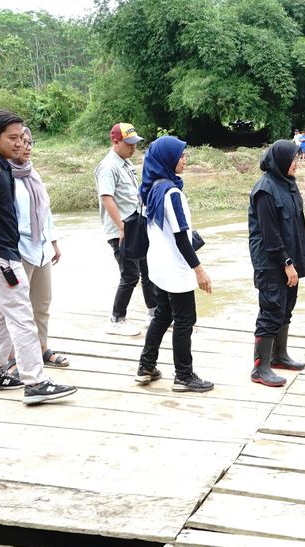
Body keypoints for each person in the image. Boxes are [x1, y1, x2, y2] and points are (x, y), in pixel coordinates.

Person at [0, 110, 76, 405]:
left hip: (6, 253)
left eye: (21, 137)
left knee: (4, 314)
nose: (19, 143)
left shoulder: (1, 166)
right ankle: (36, 382)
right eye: (12, 138)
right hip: (0, 258)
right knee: (23, 318)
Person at [136, 136, 214, 393]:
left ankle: (146, 366)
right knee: (184, 320)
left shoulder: (151, 188)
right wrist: (198, 269)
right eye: (181, 156)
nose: (185, 159)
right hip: (175, 267)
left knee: (163, 314)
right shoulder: (171, 192)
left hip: (157, 266)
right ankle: (184, 375)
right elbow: (181, 236)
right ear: (168, 159)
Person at [248, 140, 305, 388]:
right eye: (294, 159)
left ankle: (279, 356)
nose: (297, 163)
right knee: (271, 309)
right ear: (282, 160)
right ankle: (259, 368)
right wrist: (286, 262)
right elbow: (269, 233)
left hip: (290, 259)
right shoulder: (265, 189)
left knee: (286, 307)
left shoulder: (288, 184)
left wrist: (296, 261)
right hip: (271, 261)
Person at [6, 126, 68, 374]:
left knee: (42, 303)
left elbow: (45, 211)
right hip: (18, 249)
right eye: (21, 141)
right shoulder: (5, 176)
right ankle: (11, 358)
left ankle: (42, 349)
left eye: (30, 142)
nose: (27, 147)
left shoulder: (33, 174)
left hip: (40, 247)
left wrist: (53, 242)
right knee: (17, 309)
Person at [95, 122, 154, 336]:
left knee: (148, 270)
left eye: (135, 144)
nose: (133, 148)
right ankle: (116, 319)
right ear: (115, 141)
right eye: (128, 144)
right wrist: (121, 227)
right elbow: (107, 198)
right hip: (121, 230)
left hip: (136, 226)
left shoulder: (125, 163)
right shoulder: (108, 166)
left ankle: (153, 313)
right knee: (130, 275)